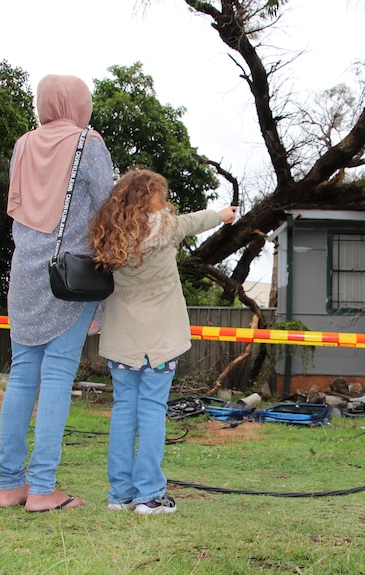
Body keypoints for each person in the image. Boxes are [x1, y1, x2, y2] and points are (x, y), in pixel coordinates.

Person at [0, 75, 114, 512]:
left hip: (25, 274)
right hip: (69, 277)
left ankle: (11, 485)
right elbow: (109, 203)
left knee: (22, 376)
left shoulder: (23, 144)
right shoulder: (89, 143)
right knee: (59, 376)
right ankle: (43, 488)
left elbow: (17, 204)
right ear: (78, 104)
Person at [90, 169, 237, 515]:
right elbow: (197, 220)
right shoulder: (169, 229)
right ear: (153, 197)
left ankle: (121, 494)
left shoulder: (108, 234)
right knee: (153, 409)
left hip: (121, 338)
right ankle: (150, 496)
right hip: (161, 339)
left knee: (124, 409)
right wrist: (224, 214)